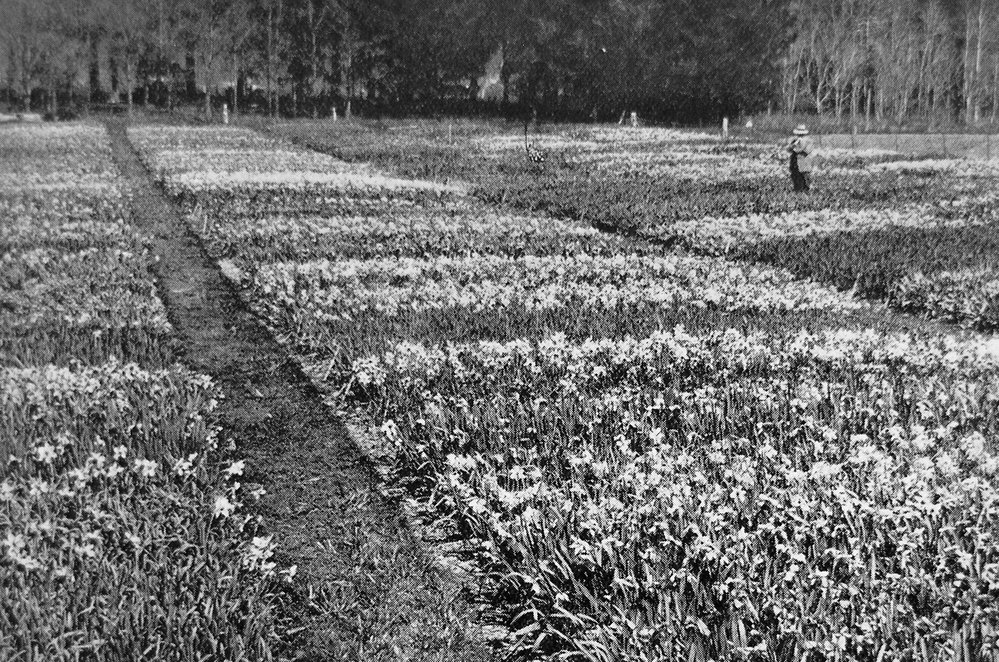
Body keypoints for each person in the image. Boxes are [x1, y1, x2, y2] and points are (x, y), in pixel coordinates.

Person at [787, 124, 813, 192]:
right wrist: (794, 145)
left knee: (805, 176)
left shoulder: (808, 141)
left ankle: (806, 190)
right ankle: (797, 189)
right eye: (799, 134)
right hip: (794, 160)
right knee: (795, 175)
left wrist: (801, 144)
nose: (800, 135)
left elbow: (807, 151)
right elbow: (788, 149)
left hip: (804, 160)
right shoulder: (793, 140)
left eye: (801, 134)